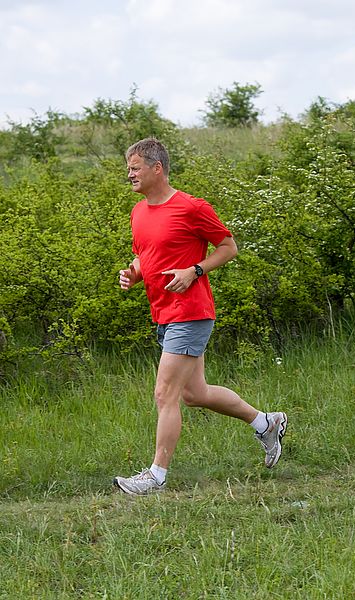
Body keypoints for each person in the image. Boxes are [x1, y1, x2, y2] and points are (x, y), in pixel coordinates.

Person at [113, 137, 287, 496]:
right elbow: (145, 257)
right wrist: (132, 273)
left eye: (134, 168)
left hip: (190, 312)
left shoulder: (191, 207)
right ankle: (265, 423)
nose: (129, 174)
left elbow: (228, 248)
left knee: (165, 394)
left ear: (156, 168)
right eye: (128, 168)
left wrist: (195, 270)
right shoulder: (139, 212)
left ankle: (155, 476)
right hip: (162, 312)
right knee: (195, 394)